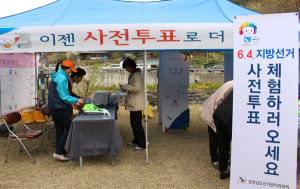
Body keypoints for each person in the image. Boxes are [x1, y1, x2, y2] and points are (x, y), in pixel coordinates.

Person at [48, 59, 85, 161]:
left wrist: (72, 101)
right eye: (70, 69)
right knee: (70, 128)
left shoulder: (58, 76)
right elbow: (64, 96)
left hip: (53, 107)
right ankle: (58, 152)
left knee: (59, 130)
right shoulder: (62, 78)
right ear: (67, 68)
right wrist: (77, 100)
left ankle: (62, 152)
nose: (71, 72)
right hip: (59, 107)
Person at [198, 80, 233, 169]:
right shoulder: (231, 85)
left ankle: (225, 158)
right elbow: (219, 100)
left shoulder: (234, 85)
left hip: (221, 113)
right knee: (214, 137)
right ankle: (214, 159)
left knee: (224, 138)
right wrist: (219, 116)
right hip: (215, 112)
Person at [120, 58, 146, 151]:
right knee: (133, 124)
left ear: (130, 66)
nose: (126, 70)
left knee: (137, 125)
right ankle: (136, 140)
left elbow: (136, 88)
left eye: (126, 67)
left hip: (136, 103)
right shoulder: (134, 74)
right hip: (134, 102)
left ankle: (142, 144)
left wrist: (125, 86)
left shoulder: (137, 75)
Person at [213, 89, 233, 180]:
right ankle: (241, 170)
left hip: (219, 114)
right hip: (228, 116)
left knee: (223, 144)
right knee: (239, 144)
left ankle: (223, 171)